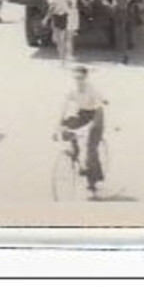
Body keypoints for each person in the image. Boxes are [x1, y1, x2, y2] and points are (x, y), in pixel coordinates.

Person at [57, 65, 108, 196]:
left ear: (86, 77)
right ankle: (75, 152)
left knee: (90, 150)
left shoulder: (92, 89)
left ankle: (94, 182)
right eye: (76, 78)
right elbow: (64, 105)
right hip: (83, 114)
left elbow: (99, 104)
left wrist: (90, 127)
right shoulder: (72, 89)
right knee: (66, 127)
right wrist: (59, 122)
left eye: (81, 78)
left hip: (96, 115)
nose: (78, 81)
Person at [100, 0, 142, 65]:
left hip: (115, 9)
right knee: (121, 29)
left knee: (118, 29)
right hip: (124, 10)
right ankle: (123, 49)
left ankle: (120, 49)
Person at [44, 0, 86, 67]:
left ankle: (62, 59)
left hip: (60, 12)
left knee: (59, 37)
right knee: (69, 36)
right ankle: (69, 55)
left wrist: (46, 18)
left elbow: (52, 5)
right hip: (72, 12)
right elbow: (83, 2)